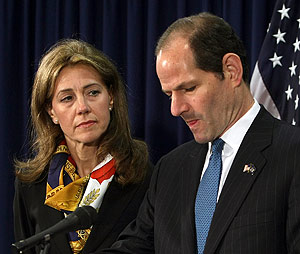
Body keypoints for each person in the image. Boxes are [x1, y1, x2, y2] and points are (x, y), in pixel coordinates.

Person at [94, 12, 300, 254]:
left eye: (189, 88)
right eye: (169, 94)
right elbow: (135, 247)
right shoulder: (170, 168)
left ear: (231, 70)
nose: (176, 108)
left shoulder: (292, 153)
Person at [13, 39, 153, 254]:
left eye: (93, 93)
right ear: (51, 112)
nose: (82, 107)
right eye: (67, 98)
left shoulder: (147, 177)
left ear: (111, 97)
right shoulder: (31, 185)